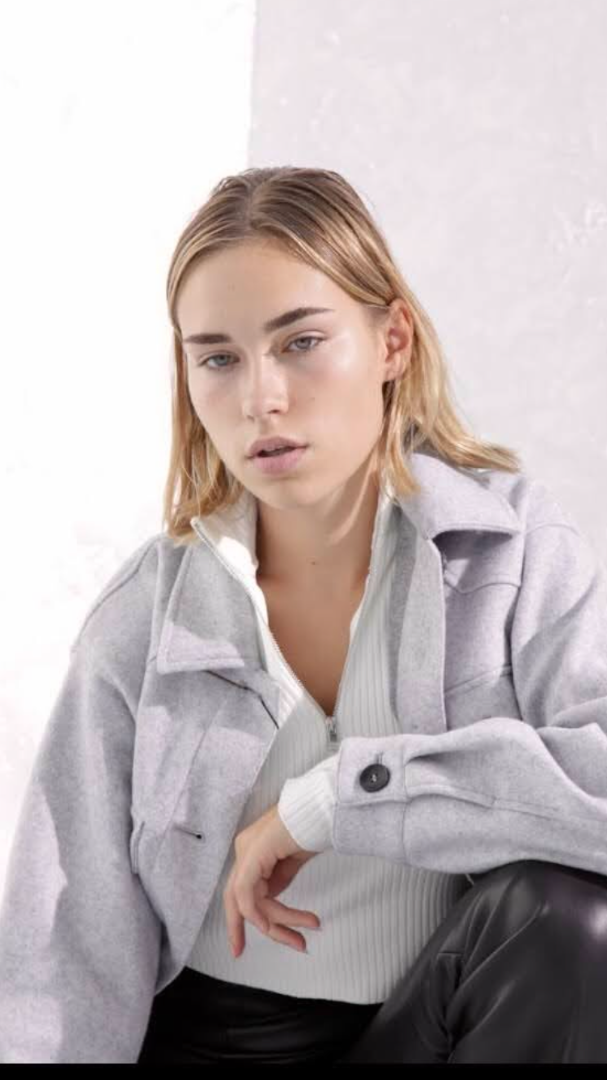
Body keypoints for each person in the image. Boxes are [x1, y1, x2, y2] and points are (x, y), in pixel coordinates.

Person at [1, 166, 607, 1065]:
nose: (261, 399)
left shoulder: (511, 553)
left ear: (391, 341)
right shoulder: (146, 619)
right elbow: (65, 948)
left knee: (568, 924)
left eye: (301, 342)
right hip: (215, 1042)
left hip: (430, 1031)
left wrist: (333, 802)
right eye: (218, 358)